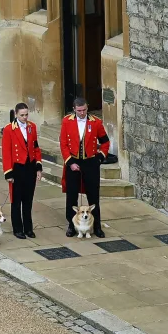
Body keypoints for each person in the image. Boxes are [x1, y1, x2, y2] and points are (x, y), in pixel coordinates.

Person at [60, 97, 109, 238]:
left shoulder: (96, 122)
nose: (82, 113)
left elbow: (105, 142)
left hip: (90, 163)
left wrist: (99, 158)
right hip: (73, 162)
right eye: (80, 111)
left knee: (93, 196)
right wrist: (70, 162)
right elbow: (63, 144)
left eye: (85, 110)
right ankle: (71, 225)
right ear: (74, 109)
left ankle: (97, 226)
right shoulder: (66, 121)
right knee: (72, 196)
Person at [2, 103, 42, 239]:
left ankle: (28, 228)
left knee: (28, 200)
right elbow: (6, 152)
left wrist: (38, 167)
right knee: (16, 201)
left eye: (26, 114)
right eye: (22, 115)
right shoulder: (9, 129)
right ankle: (17, 228)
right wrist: (8, 172)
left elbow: (36, 147)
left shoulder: (32, 127)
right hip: (17, 168)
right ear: (16, 114)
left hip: (30, 167)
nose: (25, 117)